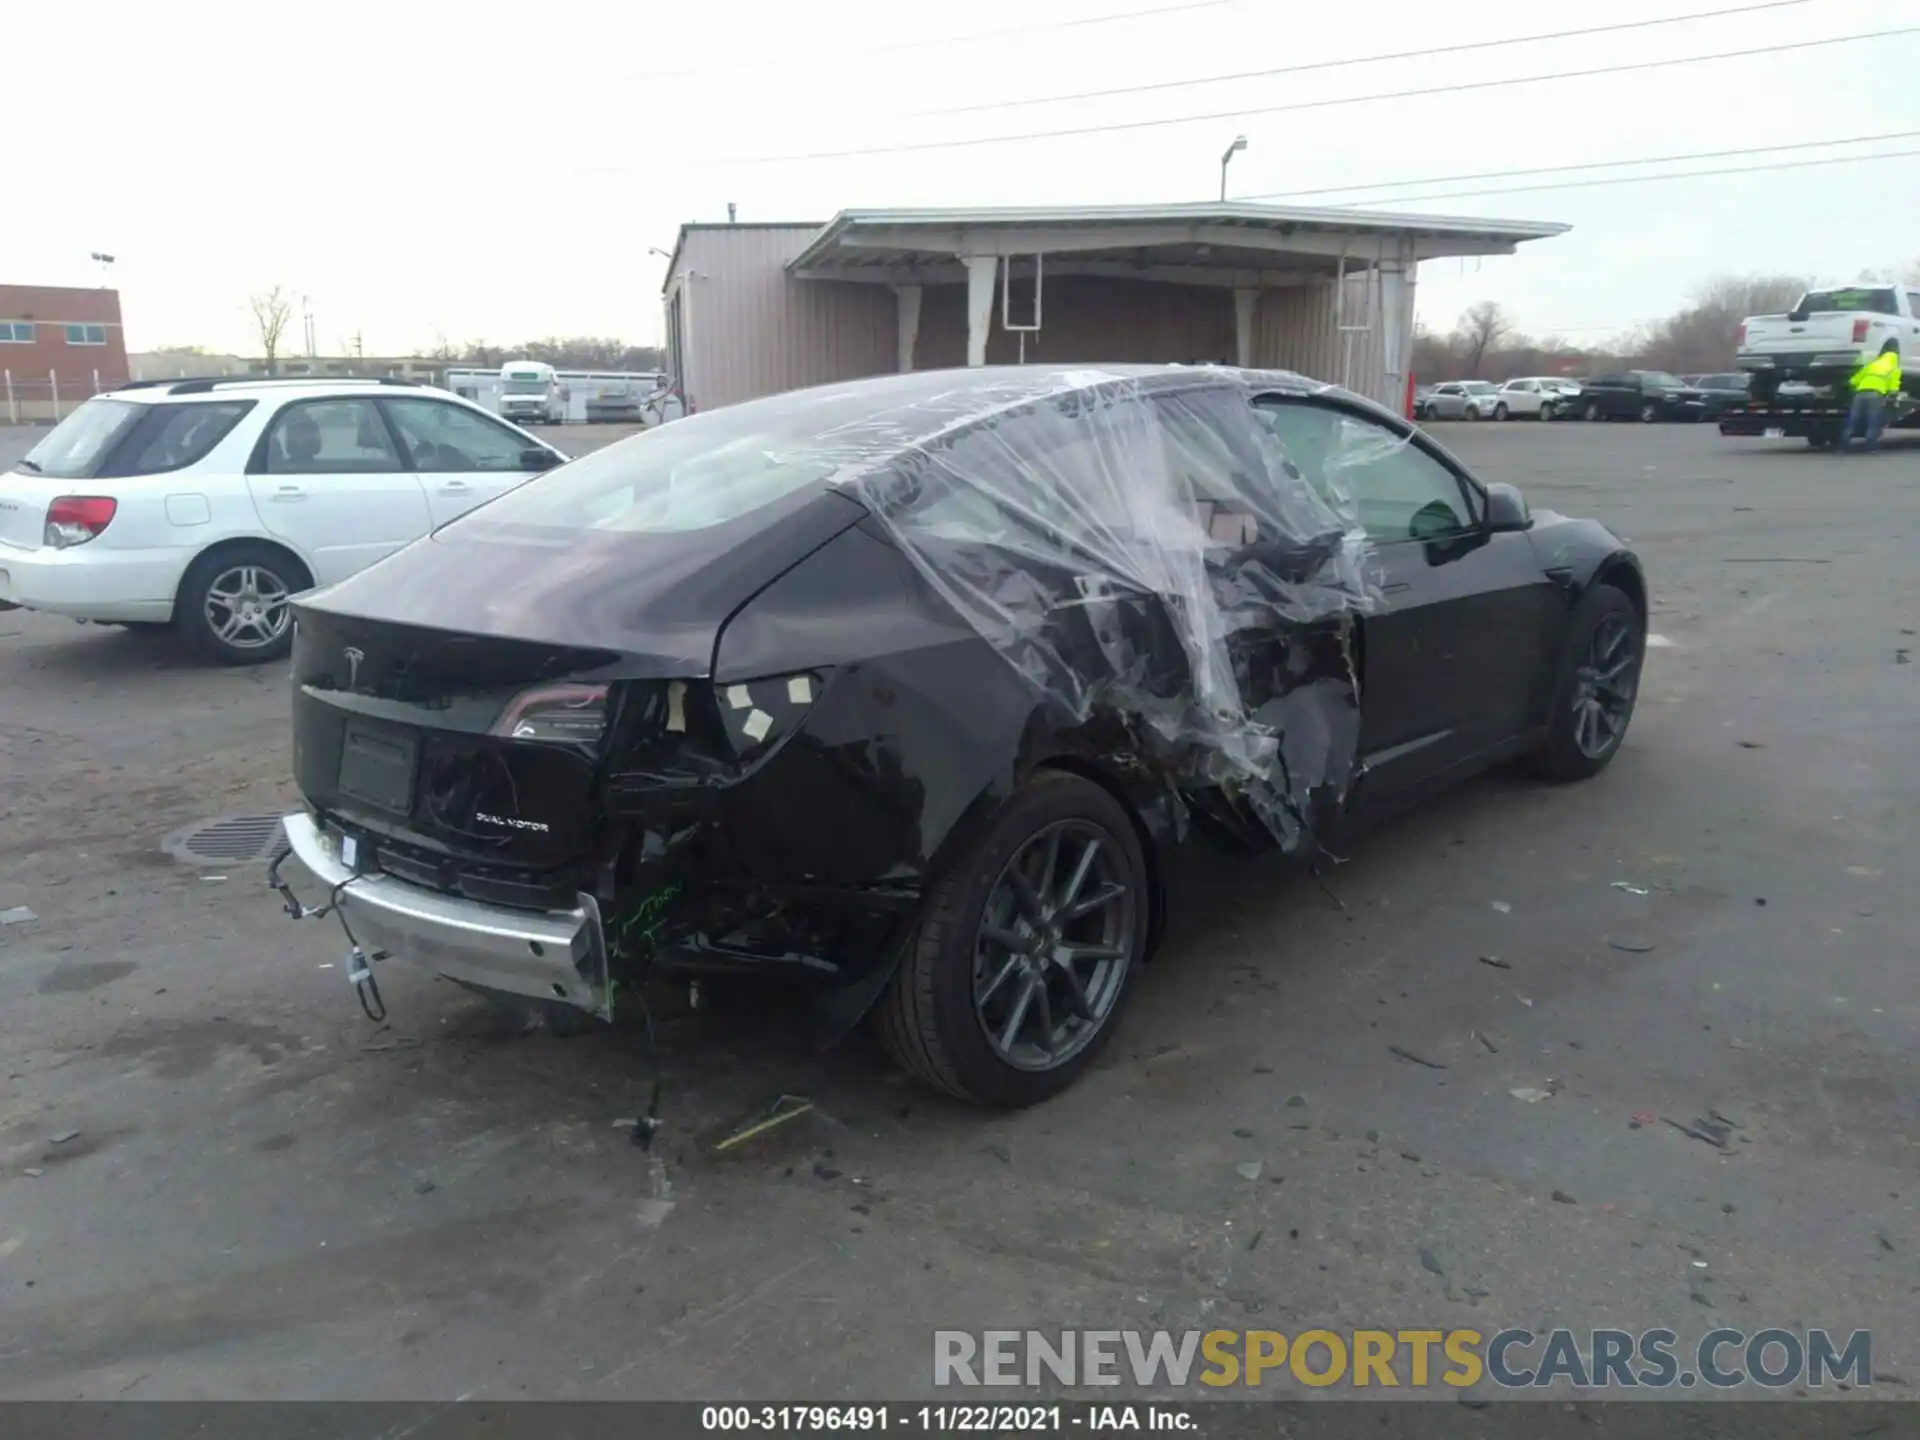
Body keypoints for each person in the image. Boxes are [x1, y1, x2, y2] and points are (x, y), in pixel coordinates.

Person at [1839, 348, 1902, 454]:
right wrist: (1892, 396)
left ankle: (1844, 447)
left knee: (1853, 421)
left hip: (1860, 394)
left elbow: (1853, 381)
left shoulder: (1871, 366)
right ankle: (1871, 447)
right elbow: (1894, 386)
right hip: (1876, 395)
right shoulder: (1894, 369)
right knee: (1873, 422)